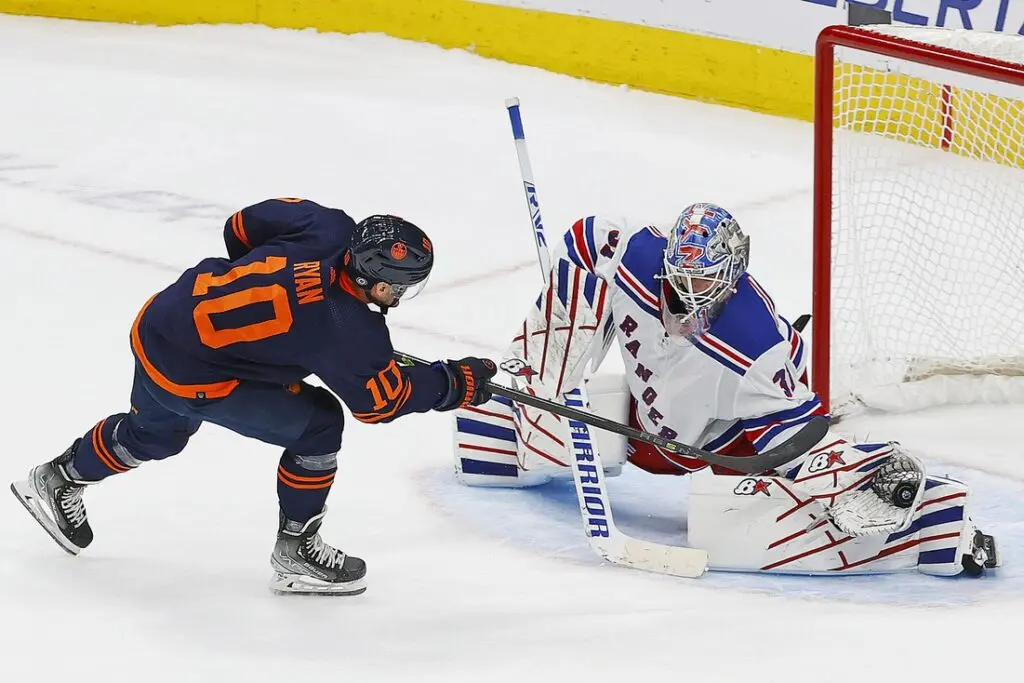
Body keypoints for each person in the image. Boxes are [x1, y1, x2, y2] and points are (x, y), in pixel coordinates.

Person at [453, 203, 999, 577]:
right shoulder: (632, 255)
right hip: (649, 433)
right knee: (543, 409)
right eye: (680, 278)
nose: (687, 296)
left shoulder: (753, 345)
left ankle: (924, 518)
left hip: (727, 445)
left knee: (763, 516)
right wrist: (550, 354)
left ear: (732, 275)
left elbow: (794, 441)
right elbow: (585, 240)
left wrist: (825, 475)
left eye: (703, 282)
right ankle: (507, 430)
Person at [11, 198, 497, 596]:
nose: (401, 295)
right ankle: (296, 551)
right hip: (195, 373)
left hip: (164, 321)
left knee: (156, 435)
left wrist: (263, 298)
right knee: (320, 424)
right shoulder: (348, 328)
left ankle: (57, 478)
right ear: (378, 281)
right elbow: (381, 402)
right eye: (401, 287)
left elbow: (241, 226)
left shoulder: (328, 225)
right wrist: (454, 382)